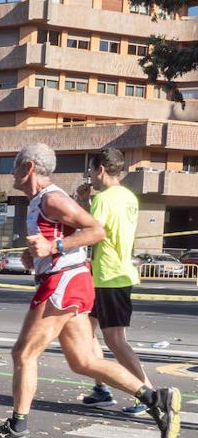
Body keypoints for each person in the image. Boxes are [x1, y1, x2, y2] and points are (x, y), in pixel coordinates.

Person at [0, 143, 180, 438]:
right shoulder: (39, 201)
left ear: (29, 167)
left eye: (16, 165)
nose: (12, 172)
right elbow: (55, 236)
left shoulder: (52, 199)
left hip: (63, 282)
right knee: (83, 361)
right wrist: (34, 254)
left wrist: (53, 248)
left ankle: (18, 427)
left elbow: (96, 230)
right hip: (70, 280)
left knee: (24, 353)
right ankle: (155, 399)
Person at [74, 149, 152, 416]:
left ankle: (149, 394)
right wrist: (86, 202)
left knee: (116, 340)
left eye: (91, 171)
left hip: (109, 275)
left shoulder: (105, 199)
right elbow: (104, 229)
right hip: (108, 274)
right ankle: (102, 388)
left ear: (101, 171)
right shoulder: (127, 197)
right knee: (86, 332)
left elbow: (91, 233)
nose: (90, 177)